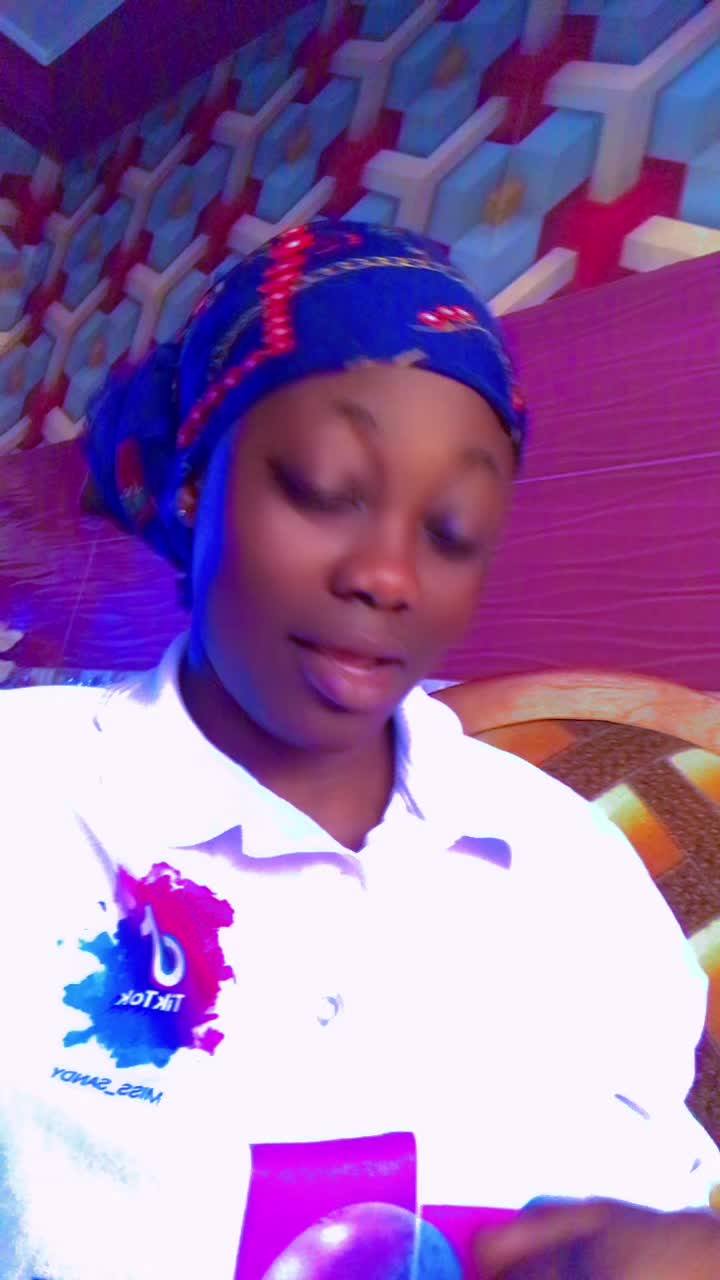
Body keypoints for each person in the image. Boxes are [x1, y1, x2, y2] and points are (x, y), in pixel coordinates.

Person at [1, 220, 719, 1280]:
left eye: (453, 530)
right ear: (195, 484)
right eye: (325, 488)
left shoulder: (581, 871)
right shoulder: (28, 795)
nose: (388, 574)